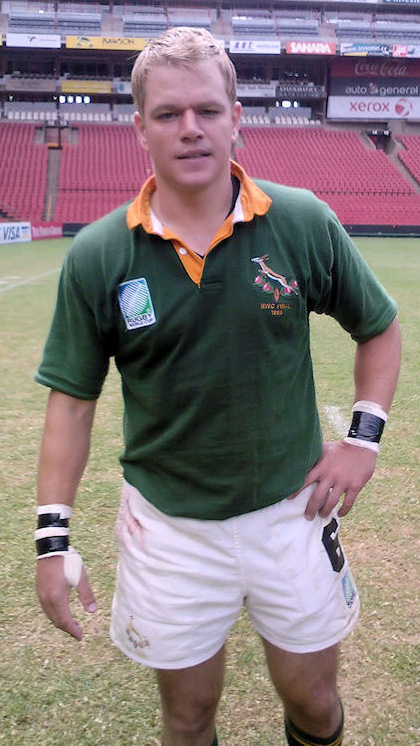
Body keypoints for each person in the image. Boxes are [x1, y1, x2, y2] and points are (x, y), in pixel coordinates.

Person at [35, 26, 401, 746]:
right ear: (140, 128)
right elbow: (72, 404)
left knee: (314, 702)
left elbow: (380, 328)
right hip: (169, 529)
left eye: (207, 110)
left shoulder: (300, 222)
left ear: (236, 118)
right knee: (188, 715)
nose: (190, 129)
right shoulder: (100, 254)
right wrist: (52, 540)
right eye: (168, 114)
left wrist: (363, 440)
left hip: (291, 514)